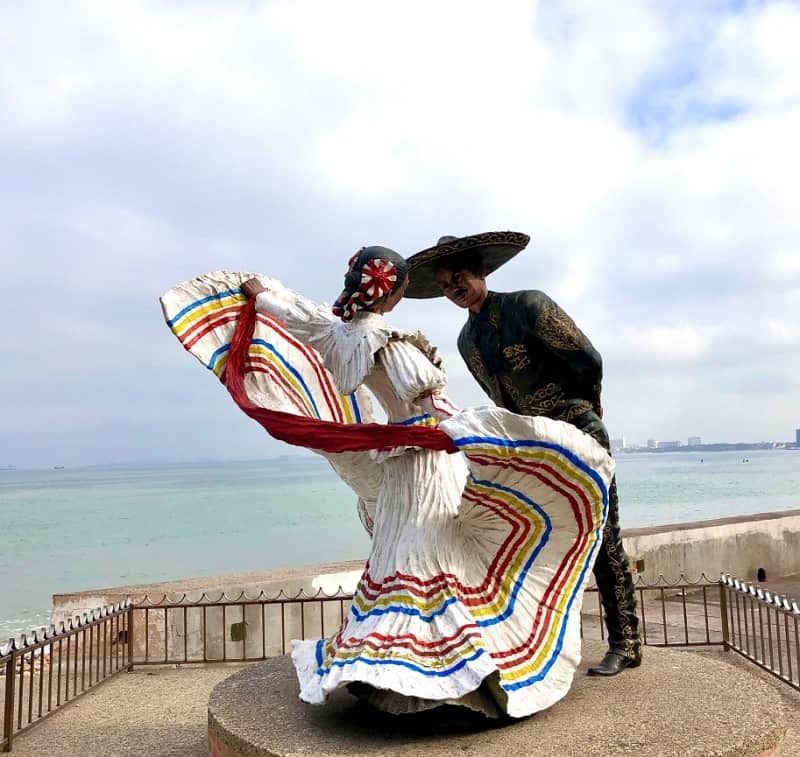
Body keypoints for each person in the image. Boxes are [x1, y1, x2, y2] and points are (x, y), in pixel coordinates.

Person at [160, 248, 615, 718]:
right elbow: (431, 407)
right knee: (432, 556)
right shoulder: (390, 342)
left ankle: (392, 674)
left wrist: (265, 297)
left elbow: (305, 317)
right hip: (424, 462)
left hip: (397, 466)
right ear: (394, 291)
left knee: (402, 558)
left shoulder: (342, 335)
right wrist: (490, 434)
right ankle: (445, 674)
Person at [405, 232, 642, 676]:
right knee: (530, 538)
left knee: (604, 534)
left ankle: (626, 641)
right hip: (533, 443)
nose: (452, 289)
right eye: (442, 285)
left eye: (458, 277)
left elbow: (588, 360)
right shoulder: (466, 342)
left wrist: (586, 408)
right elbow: (500, 401)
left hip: (577, 430)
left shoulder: (528, 305)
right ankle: (532, 642)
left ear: (480, 272)